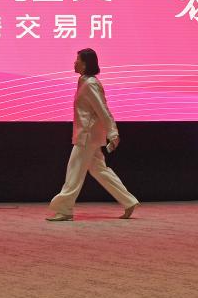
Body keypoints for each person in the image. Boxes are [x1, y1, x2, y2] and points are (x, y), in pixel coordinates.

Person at [46, 48, 139, 221]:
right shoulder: (84, 81)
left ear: (85, 64)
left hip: (87, 135)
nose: (74, 62)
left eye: (77, 60)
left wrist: (113, 133)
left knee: (74, 171)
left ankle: (64, 209)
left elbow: (102, 109)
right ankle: (129, 201)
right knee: (99, 170)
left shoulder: (90, 84)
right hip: (88, 134)